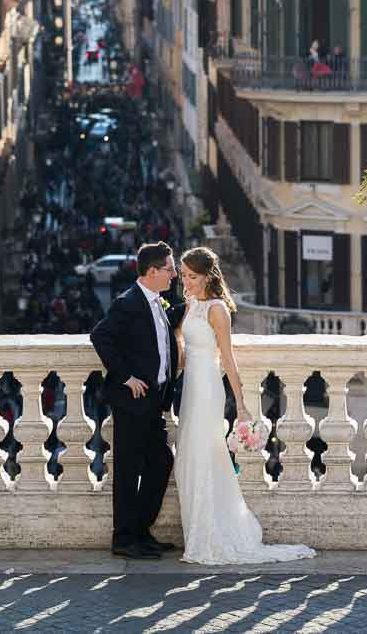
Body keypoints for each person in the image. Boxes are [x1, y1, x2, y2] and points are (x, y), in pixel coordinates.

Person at [174, 247, 316, 565]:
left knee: (204, 456)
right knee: (188, 458)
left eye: (191, 276)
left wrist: (240, 404)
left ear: (208, 276)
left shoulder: (216, 310)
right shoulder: (190, 304)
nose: (185, 281)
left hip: (208, 389)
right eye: (183, 275)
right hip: (189, 389)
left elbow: (228, 357)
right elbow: (182, 347)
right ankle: (197, 535)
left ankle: (212, 537)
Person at [90, 242, 187, 560]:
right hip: (132, 401)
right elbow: (100, 336)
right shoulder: (128, 302)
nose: (174, 274)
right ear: (152, 272)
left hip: (154, 402)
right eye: (170, 269)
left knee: (161, 462)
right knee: (129, 470)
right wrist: (125, 376)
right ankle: (124, 539)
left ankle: (141, 532)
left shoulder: (157, 301)